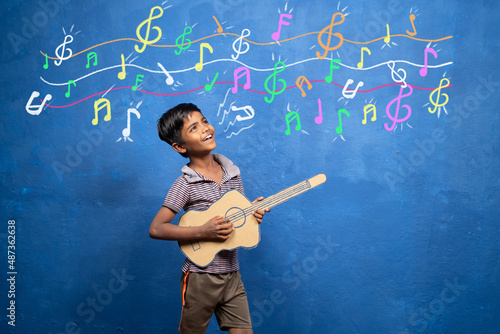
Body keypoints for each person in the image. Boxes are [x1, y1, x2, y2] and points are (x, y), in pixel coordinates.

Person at [150, 103, 270, 334]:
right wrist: (202, 232)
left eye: (204, 121)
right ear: (179, 146)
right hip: (200, 277)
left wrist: (253, 212)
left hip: (232, 273)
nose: (206, 128)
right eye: (194, 128)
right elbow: (156, 229)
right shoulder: (184, 184)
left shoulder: (233, 174)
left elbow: (237, 219)